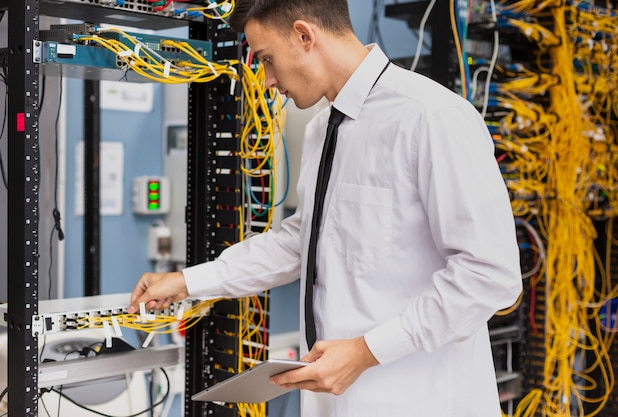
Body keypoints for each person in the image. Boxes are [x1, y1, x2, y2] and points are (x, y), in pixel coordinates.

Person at [128, 1, 523, 415]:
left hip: (418, 399)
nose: (266, 80)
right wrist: (188, 282)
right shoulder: (323, 128)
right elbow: (306, 241)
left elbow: (489, 275)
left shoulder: (430, 117)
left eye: (266, 59)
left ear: (304, 35)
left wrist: (367, 352)